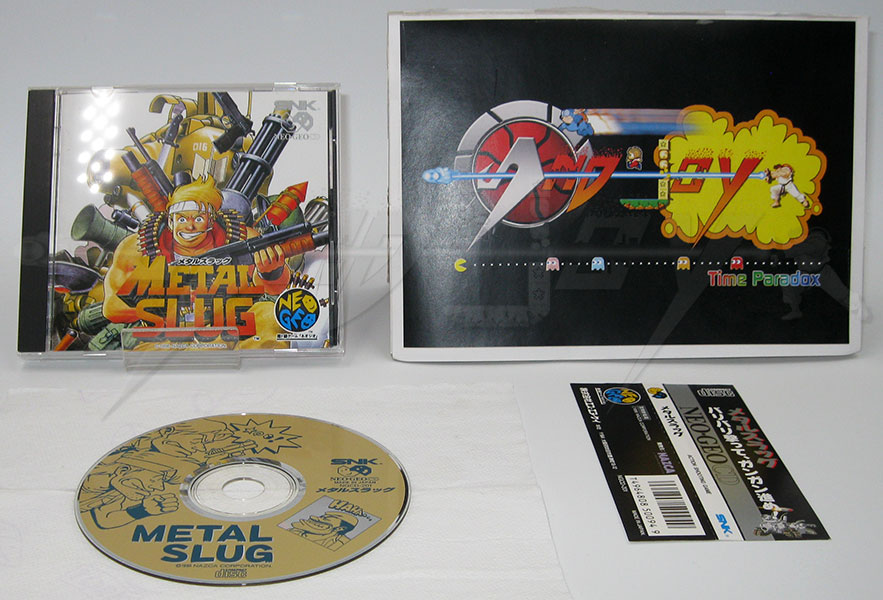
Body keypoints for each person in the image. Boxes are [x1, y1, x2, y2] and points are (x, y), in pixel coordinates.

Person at [102, 175, 291, 327]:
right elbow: (111, 307)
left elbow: (275, 287)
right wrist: (167, 314)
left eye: (199, 219)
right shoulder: (135, 247)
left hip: (227, 333)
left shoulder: (243, 238)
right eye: (182, 219)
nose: (190, 227)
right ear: (170, 221)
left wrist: (270, 272)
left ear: (211, 220)